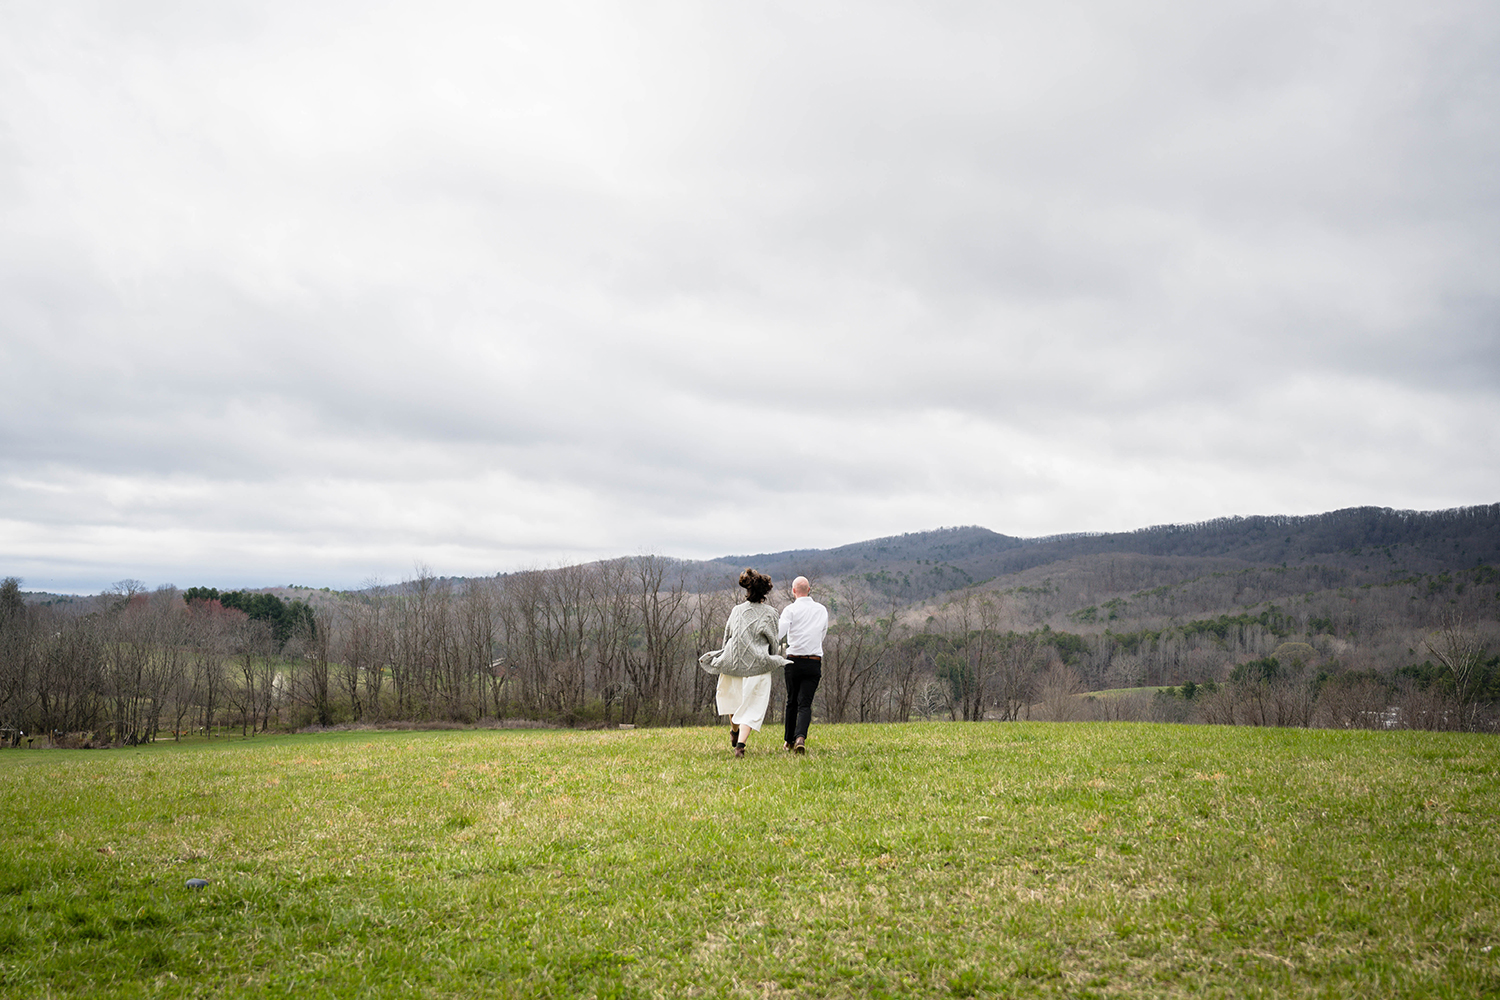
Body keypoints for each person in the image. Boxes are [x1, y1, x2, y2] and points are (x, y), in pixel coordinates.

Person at [698, 569, 790, 757]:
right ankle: (740, 745)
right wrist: (771, 658)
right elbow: (773, 641)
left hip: (733, 661)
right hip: (757, 665)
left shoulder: (737, 611)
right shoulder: (771, 613)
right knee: (752, 705)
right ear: (765, 592)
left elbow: (728, 636)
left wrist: (727, 657)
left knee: (733, 700)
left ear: (747, 590)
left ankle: (734, 731)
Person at [777, 576, 828, 754]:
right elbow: (822, 634)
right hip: (813, 661)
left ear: (793, 591)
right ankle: (800, 737)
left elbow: (779, 633)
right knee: (805, 704)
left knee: (791, 701)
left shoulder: (790, 610)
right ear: (809, 590)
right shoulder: (821, 610)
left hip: (793, 660)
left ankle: (789, 740)